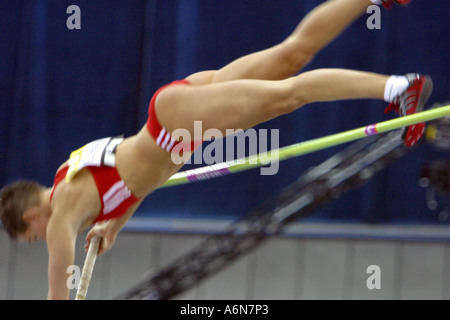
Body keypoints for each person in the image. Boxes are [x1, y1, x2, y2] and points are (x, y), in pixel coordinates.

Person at [0, 0, 432, 300]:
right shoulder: (70, 178)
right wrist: (113, 226)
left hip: (175, 125)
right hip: (176, 112)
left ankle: (399, 87)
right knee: (290, 55)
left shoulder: (60, 216)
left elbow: (59, 289)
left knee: (288, 95)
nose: (42, 240)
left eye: (30, 236)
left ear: (30, 216)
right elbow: (135, 178)